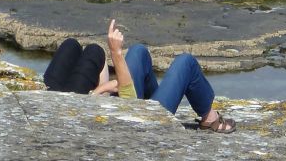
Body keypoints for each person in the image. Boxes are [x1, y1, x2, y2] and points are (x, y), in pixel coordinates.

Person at [43, 18, 235, 133]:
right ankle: (209, 119)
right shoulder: (81, 117)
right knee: (186, 63)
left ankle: (156, 100)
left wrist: (102, 90)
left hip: (104, 106)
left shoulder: (63, 100)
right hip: (141, 121)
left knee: (138, 51)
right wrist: (115, 53)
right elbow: (128, 96)